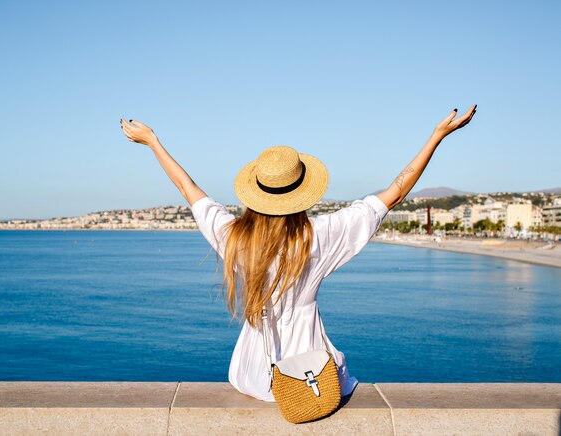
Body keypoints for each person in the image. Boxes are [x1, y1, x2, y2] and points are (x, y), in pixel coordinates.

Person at [120, 105, 477, 401]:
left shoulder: (236, 238)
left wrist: (152, 141)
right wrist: (436, 136)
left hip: (255, 376)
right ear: (301, 193)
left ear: (256, 193)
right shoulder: (317, 237)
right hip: (309, 378)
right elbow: (394, 193)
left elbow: (188, 188)